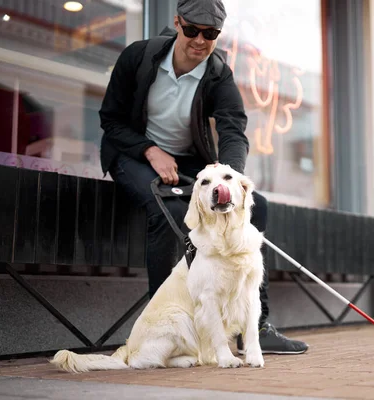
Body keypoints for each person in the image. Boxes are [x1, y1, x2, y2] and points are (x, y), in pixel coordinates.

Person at [98, 0, 308, 355]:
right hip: (135, 152)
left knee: (257, 208)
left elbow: (233, 128)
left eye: (210, 34)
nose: (200, 40)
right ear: (178, 23)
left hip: (190, 162)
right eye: (192, 30)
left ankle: (256, 327)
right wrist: (150, 150)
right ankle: (166, 323)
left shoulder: (217, 73)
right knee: (166, 209)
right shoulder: (138, 56)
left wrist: (228, 178)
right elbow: (111, 120)